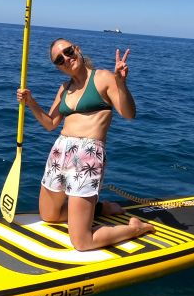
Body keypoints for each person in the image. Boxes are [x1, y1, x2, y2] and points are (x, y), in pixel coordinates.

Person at [16, 38, 154, 251]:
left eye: (68, 51)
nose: (66, 59)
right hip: (59, 152)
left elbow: (129, 114)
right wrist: (31, 103)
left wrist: (121, 83)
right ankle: (101, 208)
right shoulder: (64, 88)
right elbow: (51, 124)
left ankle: (135, 228)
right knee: (49, 215)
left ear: (77, 50)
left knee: (82, 242)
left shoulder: (103, 78)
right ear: (58, 67)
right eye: (59, 60)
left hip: (87, 155)